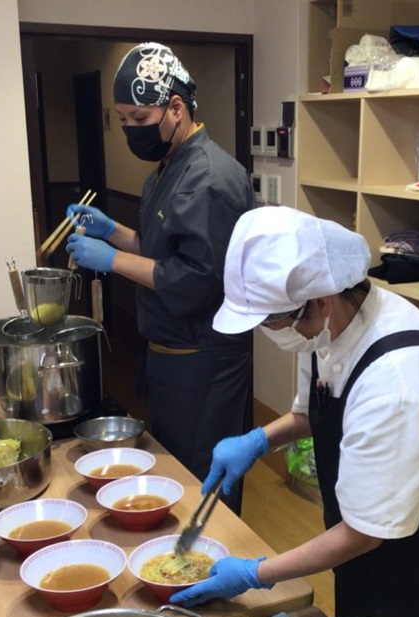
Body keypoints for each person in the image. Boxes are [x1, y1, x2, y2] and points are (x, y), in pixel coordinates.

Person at [169, 207, 419, 617]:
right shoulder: (327, 328)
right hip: (368, 554)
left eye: (272, 319)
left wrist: (256, 575)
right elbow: (313, 412)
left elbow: (365, 533)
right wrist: (258, 442)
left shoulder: (401, 380)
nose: (269, 332)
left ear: (317, 301)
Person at [65, 43, 255, 513]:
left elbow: (194, 278)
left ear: (176, 107)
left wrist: (109, 259)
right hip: (169, 358)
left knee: (205, 485)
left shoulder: (209, 178)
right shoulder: (164, 171)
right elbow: (159, 248)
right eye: (123, 119)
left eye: (139, 119)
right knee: (174, 474)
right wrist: (114, 231)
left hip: (205, 362)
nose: (131, 130)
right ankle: (180, 576)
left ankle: (214, 581)